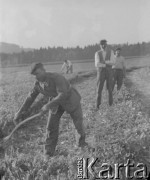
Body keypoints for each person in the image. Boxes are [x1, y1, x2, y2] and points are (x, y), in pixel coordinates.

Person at [14, 63, 87, 159]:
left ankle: (81, 145)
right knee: (51, 126)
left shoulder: (56, 77)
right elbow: (30, 98)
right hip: (55, 103)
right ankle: (48, 152)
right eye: (34, 75)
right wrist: (19, 112)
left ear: (44, 70)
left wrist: (48, 105)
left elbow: (62, 94)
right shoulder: (38, 84)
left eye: (38, 73)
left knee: (78, 123)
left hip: (70, 99)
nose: (36, 77)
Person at [95, 39, 115, 109]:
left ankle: (110, 105)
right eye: (102, 44)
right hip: (100, 73)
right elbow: (97, 64)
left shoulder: (111, 51)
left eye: (105, 44)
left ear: (106, 45)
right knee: (99, 90)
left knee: (110, 89)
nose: (103, 46)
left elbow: (113, 62)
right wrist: (106, 64)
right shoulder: (97, 53)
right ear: (100, 45)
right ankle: (97, 106)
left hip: (109, 72)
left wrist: (105, 62)